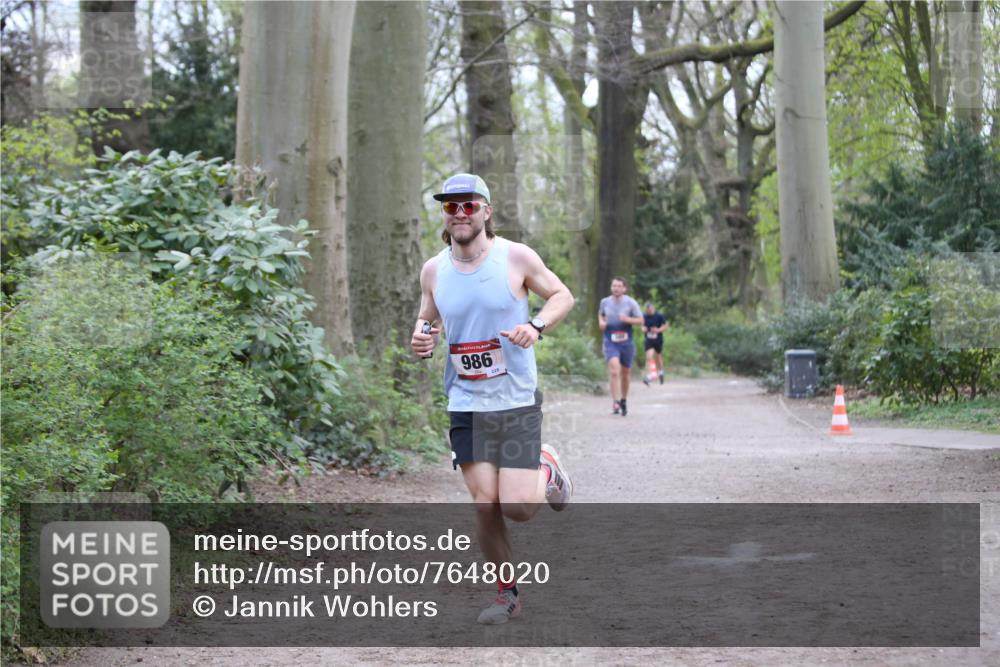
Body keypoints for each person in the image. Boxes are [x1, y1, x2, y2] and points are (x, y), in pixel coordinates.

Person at [410, 173, 576, 625]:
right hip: (466, 402)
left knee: (519, 508)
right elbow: (428, 318)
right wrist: (422, 338)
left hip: (515, 401)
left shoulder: (515, 257)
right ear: (444, 215)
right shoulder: (433, 269)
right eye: (451, 207)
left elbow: (563, 294)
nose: (459, 214)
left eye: (469, 206)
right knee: (485, 503)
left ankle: (547, 466)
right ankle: (507, 595)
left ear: (486, 211)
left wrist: (537, 326)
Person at [597, 277, 643, 416]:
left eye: (619, 286)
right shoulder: (604, 302)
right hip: (610, 340)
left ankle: (623, 400)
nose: (616, 288)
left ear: (624, 288)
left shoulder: (630, 303)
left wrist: (628, 319)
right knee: (614, 371)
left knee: (625, 373)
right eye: (614, 286)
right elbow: (601, 314)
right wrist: (601, 323)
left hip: (626, 341)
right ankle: (615, 401)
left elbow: (641, 320)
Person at [641, 302, 668, 386]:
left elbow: (665, 326)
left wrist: (658, 330)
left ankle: (660, 372)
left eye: (650, 310)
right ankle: (649, 376)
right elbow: (642, 326)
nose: (649, 311)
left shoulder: (659, 316)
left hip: (658, 339)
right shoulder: (644, 316)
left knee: (658, 357)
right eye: (647, 310)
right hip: (648, 339)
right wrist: (644, 329)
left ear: (653, 309)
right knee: (649, 356)